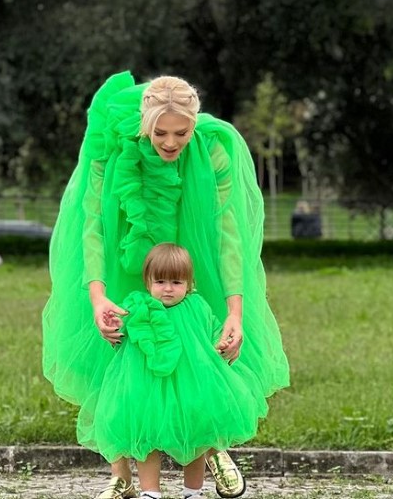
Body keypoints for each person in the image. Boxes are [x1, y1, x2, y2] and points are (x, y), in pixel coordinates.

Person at [42, 70, 290, 499]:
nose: (172, 142)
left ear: (195, 123)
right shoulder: (112, 149)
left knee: (202, 356)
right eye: (160, 133)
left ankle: (213, 446)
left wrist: (235, 310)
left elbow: (230, 236)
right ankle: (121, 474)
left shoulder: (213, 150)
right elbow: (93, 225)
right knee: (118, 360)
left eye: (182, 132)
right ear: (146, 123)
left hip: (192, 259)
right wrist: (98, 294)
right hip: (127, 255)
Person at [77, 243, 268, 499]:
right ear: (148, 282)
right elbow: (123, 340)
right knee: (145, 436)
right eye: (161, 281)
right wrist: (116, 327)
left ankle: (193, 491)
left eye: (177, 282)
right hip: (145, 386)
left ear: (189, 284)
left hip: (191, 385)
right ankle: (150, 492)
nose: (168, 288)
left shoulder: (197, 307)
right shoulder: (136, 307)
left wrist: (220, 344)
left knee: (195, 435)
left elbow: (212, 331)